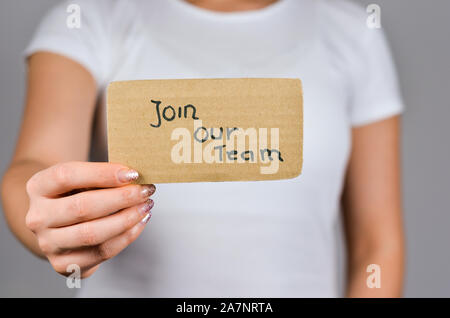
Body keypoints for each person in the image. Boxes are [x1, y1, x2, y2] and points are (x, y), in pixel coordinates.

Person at [1, 0, 405, 297]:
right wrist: (49, 214)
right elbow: (36, 165)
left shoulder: (352, 32)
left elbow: (377, 243)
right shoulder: (90, 18)